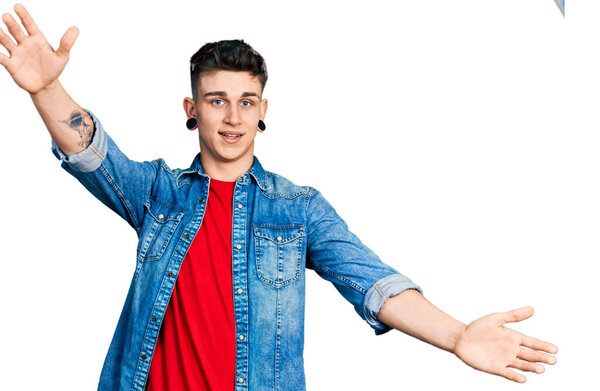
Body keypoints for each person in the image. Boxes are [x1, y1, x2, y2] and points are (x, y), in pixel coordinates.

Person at [0, 3, 559, 390]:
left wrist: (459, 334)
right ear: (191, 111)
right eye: (216, 100)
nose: (232, 116)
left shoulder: (298, 209)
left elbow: (374, 284)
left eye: (247, 101)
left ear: (263, 111)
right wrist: (46, 87)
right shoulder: (158, 195)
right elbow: (92, 152)